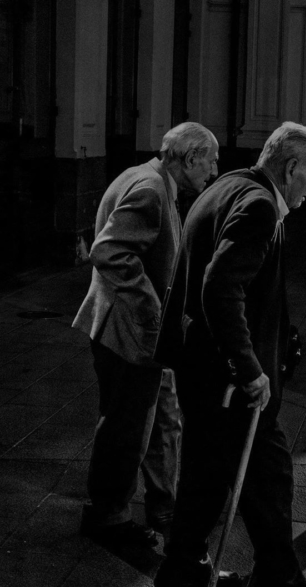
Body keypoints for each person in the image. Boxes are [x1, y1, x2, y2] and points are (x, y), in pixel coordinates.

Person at [152, 122, 306, 587]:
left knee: (208, 478)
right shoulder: (259, 206)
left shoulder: (228, 185)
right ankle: (278, 585)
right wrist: (249, 368)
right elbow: (220, 287)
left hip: (201, 366)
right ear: (292, 167)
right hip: (226, 379)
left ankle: (184, 577)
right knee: (268, 475)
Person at [72, 122, 219, 546]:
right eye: (210, 162)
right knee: (127, 427)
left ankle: (163, 507)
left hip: (138, 334)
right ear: (190, 159)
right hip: (128, 333)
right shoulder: (152, 190)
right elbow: (109, 250)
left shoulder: (144, 176)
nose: (212, 171)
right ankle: (109, 517)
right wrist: (152, 309)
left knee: (163, 420)